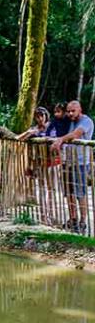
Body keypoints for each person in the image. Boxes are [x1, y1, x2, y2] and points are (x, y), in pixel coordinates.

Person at [51, 100, 94, 233]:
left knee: (80, 193)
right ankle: (73, 219)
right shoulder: (69, 121)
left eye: (73, 111)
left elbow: (76, 134)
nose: (70, 113)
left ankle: (82, 221)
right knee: (68, 192)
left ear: (79, 110)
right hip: (67, 161)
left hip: (80, 162)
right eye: (68, 111)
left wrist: (60, 140)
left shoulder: (86, 121)